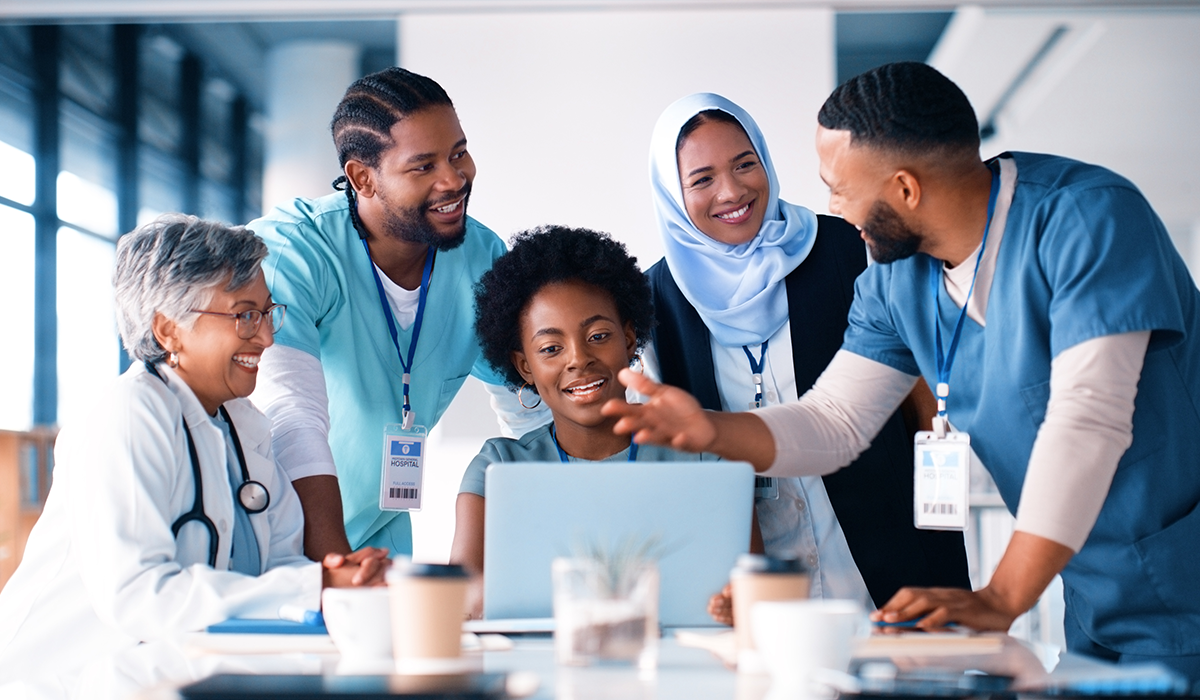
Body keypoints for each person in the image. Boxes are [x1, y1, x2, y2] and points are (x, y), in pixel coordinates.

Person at [605, 62, 1200, 682]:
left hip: (1184, 588)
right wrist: (711, 431)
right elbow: (836, 421)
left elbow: (1088, 422)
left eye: (838, 187)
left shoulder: (1087, 222)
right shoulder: (899, 275)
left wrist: (999, 598)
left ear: (906, 190)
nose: (830, 207)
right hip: (1091, 599)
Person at [0, 215, 386, 696]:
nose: (266, 337)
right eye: (245, 314)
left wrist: (341, 581)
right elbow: (140, 597)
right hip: (61, 684)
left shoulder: (246, 428)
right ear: (169, 330)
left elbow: (280, 564)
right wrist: (318, 588)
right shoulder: (127, 415)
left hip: (167, 678)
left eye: (268, 313)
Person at [644, 93, 969, 620]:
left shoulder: (847, 246)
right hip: (760, 580)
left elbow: (925, 400)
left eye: (745, 164)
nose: (731, 191)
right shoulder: (658, 298)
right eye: (701, 179)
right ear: (672, 192)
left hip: (892, 552)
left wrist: (945, 525)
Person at [249, 67, 546, 560]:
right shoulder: (294, 252)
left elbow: (528, 406)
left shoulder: (479, 257)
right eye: (423, 166)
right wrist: (333, 567)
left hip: (376, 531)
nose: (454, 180)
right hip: (271, 533)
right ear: (362, 178)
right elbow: (291, 416)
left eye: (458, 153)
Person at [449, 225, 716, 619]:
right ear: (525, 366)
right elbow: (463, 593)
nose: (577, 359)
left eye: (598, 335)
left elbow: (750, 590)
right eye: (551, 348)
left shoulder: (701, 451)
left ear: (629, 340)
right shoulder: (498, 468)